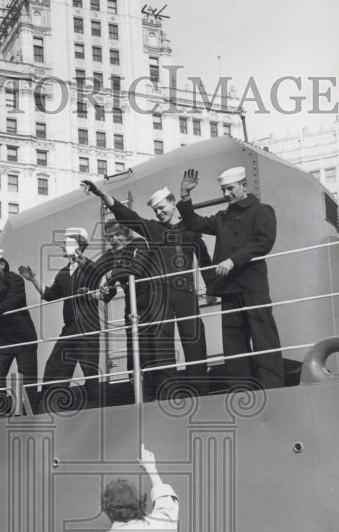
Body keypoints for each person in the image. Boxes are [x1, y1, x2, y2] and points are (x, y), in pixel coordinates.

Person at [83, 180, 212, 393]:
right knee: (163, 347)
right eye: (155, 210)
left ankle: (201, 391)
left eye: (162, 208)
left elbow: (204, 259)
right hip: (160, 296)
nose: (159, 213)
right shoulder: (153, 230)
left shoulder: (190, 230)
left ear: (173, 204)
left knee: (194, 340)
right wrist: (101, 194)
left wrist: (212, 290)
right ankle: (167, 394)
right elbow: (127, 216)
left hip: (185, 293)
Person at [177, 166, 284, 389]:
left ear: (244, 186)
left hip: (252, 285)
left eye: (231, 189)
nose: (227, 194)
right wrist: (186, 196)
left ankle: (273, 389)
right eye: (224, 190)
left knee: (264, 338)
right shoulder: (222, 217)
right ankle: (241, 391)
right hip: (229, 289)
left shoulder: (262, 210)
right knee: (233, 343)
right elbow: (195, 223)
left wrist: (233, 260)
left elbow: (264, 241)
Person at [19, 227, 103, 413]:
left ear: (78, 245)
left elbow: (101, 284)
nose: (62, 247)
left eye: (65, 243)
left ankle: (96, 411)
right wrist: (34, 279)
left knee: (90, 372)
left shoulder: (90, 267)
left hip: (87, 328)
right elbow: (50, 294)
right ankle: (50, 409)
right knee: (54, 367)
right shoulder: (64, 273)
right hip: (70, 329)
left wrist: (88, 282)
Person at [95, 218, 168, 403]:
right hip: (133, 310)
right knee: (134, 354)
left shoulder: (139, 243)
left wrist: (110, 275)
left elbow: (136, 269)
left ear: (127, 233)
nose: (114, 240)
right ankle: (140, 396)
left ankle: (160, 398)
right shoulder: (114, 255)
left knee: (155, 352)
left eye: (118, 235)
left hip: (153, 305)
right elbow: (100, 277)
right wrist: (102, 289)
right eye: (110, 237)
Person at [0, 248, 40, 415]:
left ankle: (30, 411)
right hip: (2, 337)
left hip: (22, 335)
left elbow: (11, 302)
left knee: (28, 377)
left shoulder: (15, 279)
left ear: (2, 265)